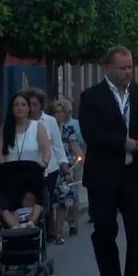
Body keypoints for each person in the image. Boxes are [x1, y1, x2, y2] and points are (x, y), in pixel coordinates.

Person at [80, 46, 138, 276]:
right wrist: (121, 142)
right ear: (108, 68)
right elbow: (91, 133)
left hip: (136, 175)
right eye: (122, 68)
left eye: (130, 67)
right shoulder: (92, 97)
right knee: (104, 231)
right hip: (103, 176)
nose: (128, 72)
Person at [23, 88, 72, 244]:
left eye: (34, 104)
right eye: (28, 104)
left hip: (48, 168)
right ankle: (34, 230)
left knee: (47, 201)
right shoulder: (21, 122)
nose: (31, 108)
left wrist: (64, 167)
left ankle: (48, 231)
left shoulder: (49, 121)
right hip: (27, 168)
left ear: (41, 105)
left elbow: (57, 146)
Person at [52, 99, 85, 237]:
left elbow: (76, 146)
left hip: (69, 166)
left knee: (69, 196)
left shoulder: (70, 128)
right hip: (52, 166)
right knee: (54, 199)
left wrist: (82, 160)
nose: (59, 115)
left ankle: (71, 224)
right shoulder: (47, 128)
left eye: (61, 112)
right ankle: (53, 229)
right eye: (56, 112)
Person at [0, 92, 51, 168]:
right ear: (12, 109)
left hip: (33, 174)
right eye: (16, 105)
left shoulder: (37, 126)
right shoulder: (4, 128)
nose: (20, 108)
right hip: (10, 174)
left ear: (28, 108)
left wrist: (44, 163)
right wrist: (4, 168)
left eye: (23, 105)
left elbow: (46, 149)